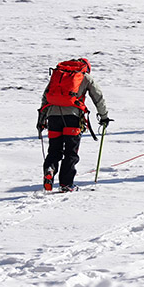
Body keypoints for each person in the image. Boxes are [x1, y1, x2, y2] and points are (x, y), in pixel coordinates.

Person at [37, 58, 109, 192]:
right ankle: (66, 184)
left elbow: (46, 96)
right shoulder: (85, 77)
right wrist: (104, 117)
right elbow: (98, 96)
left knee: (54, 150)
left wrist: (41, 119)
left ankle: (50, 169)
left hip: (53, 117)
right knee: (71, 152)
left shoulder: (58, 75)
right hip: (73, 118)